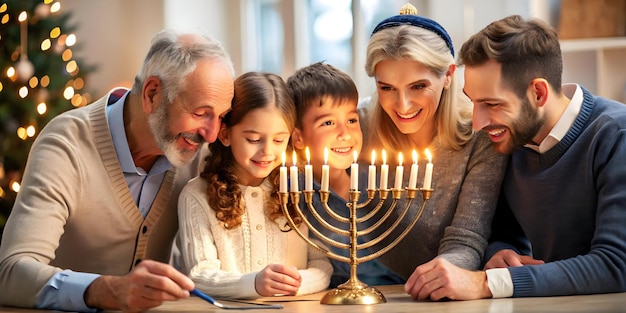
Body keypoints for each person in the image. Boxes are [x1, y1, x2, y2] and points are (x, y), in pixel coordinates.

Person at [0, 30, 235, 312]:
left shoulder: (198, 152)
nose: (211, 134)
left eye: (220, 116)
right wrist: (104, 291)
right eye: (200, 113)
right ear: (152, 94)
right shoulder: (66, 145)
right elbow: (10, 274)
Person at [404, 14, 626, 301]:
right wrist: (499, 255)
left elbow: (616, 264)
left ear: (538, 92)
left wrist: (487, 282)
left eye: (492, 104)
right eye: (473, 101)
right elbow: (503, 235)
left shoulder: (616, 134)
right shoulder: (511, 139)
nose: (478, 123)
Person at [362, 4, 508, 283]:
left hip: (437, 290)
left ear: (449, 75)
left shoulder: (480, 139)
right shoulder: (357, 126)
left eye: (418, 86)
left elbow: (466, 239)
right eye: (387, 88)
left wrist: (442, 274)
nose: (402, 105)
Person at [175, 71, 332, 299]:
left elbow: (322, 263)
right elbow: (198, 276)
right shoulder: (196, 196)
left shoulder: (298, 190)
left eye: (279, 140)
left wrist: (296, 283)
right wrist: (254, 284)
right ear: (226, 134)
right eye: (254, 139)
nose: (267, 151)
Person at [287, 61, 405, 287]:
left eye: (351, 120)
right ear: (298, 137)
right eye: (328, 122)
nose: (345, 134)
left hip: (393, 290)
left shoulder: (375, 182)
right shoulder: (291, 192)